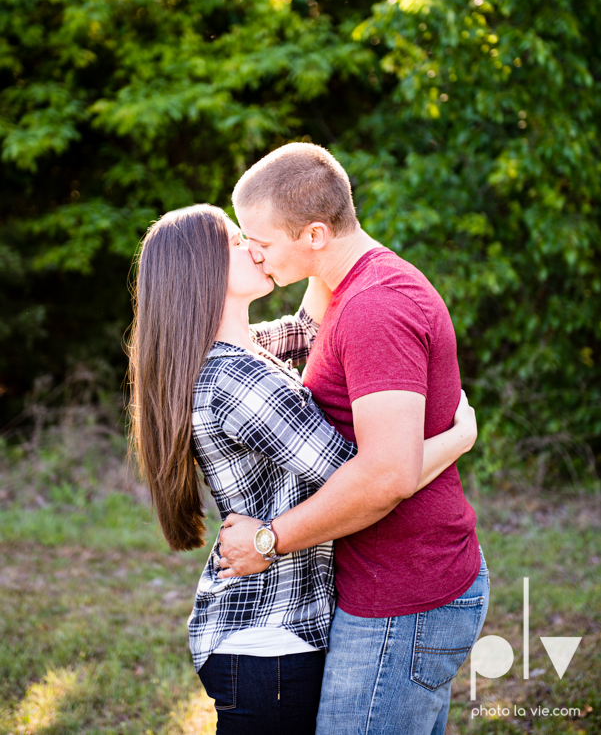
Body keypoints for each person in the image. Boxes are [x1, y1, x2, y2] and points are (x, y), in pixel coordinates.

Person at [127, 202, 478, 735]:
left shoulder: (236, 352)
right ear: (204, 273)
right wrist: (456, 439)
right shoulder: (238, 381)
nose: (252, 247)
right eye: (236, 240)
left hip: (265, 632)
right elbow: (368, 475)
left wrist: (319, 232)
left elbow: (304, 327)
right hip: (272, 639)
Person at [217, 143, 490, 735]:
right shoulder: (343, 287)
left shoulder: (375, 308)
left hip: (404, 595)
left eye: (259, 238)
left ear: (314, 234)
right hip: (383, 584)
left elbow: (388, 474)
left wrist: (268, 540)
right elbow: (254, 343)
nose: (252, 251)